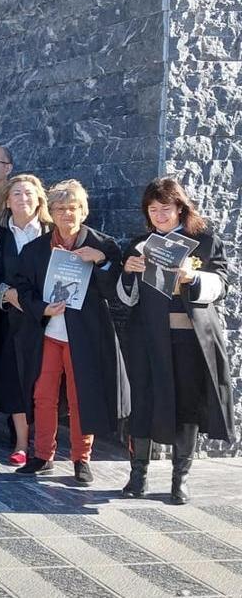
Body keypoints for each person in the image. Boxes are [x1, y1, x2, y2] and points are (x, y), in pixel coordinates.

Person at [118, 178, 234, 505]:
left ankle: (179, 479)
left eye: (165, 209)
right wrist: (128, 271)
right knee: (142, 402)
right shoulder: (141, 244)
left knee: (187, 405)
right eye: (153, 210)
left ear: (180, 207)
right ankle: (137, 475)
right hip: (148, 338)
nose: (159, 215)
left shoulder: (205, 242)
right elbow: (126, 299)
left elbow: (223, 284)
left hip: (189, 338)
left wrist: (192, 277)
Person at [13, 179, 128, 484]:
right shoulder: (36, 249)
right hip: (48, 331)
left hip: (86, 334)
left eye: (73, 207)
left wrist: (101, 262)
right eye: (60, 208)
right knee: (43, 395)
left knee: (81, 397)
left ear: (83, 210)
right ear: (50, 212)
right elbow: (22, 288)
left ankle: (81, 458)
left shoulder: (103, 245)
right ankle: (42, 455)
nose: (67, 214)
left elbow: (116, 292)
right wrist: (42, 308)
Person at [0, 175, 52, 466]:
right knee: (15, 379)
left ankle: (44, 442)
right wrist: (5, 294)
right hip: (12, 319)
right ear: (7, 200)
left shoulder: (53, 234)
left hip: (49, 320)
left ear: (40, 199)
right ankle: (20, 442)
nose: (23, 199)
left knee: (44, 381)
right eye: (16, 194)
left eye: (29, 193)